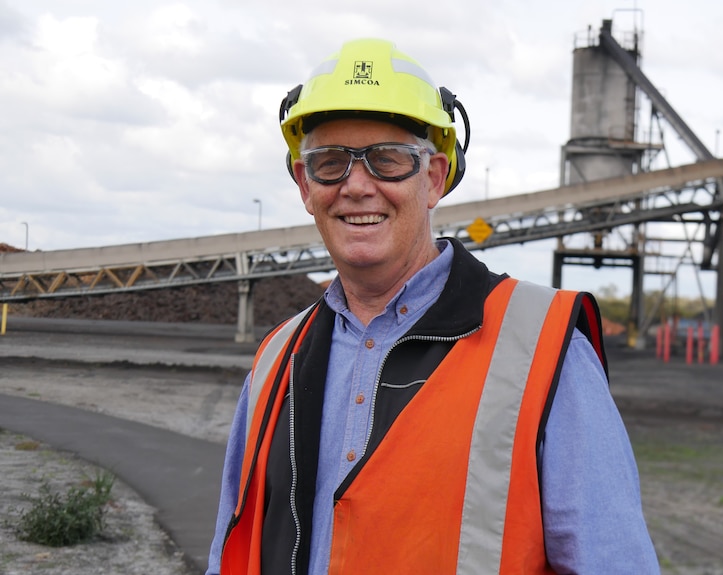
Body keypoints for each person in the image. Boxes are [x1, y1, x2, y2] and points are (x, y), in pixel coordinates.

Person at [206, 38, 660, 575]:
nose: (356, 186)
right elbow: (231, 551)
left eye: (387, 160)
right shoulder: (275, 360)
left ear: (434, 177)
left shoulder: (541, 350)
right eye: (330, 163)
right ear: (305, 186)